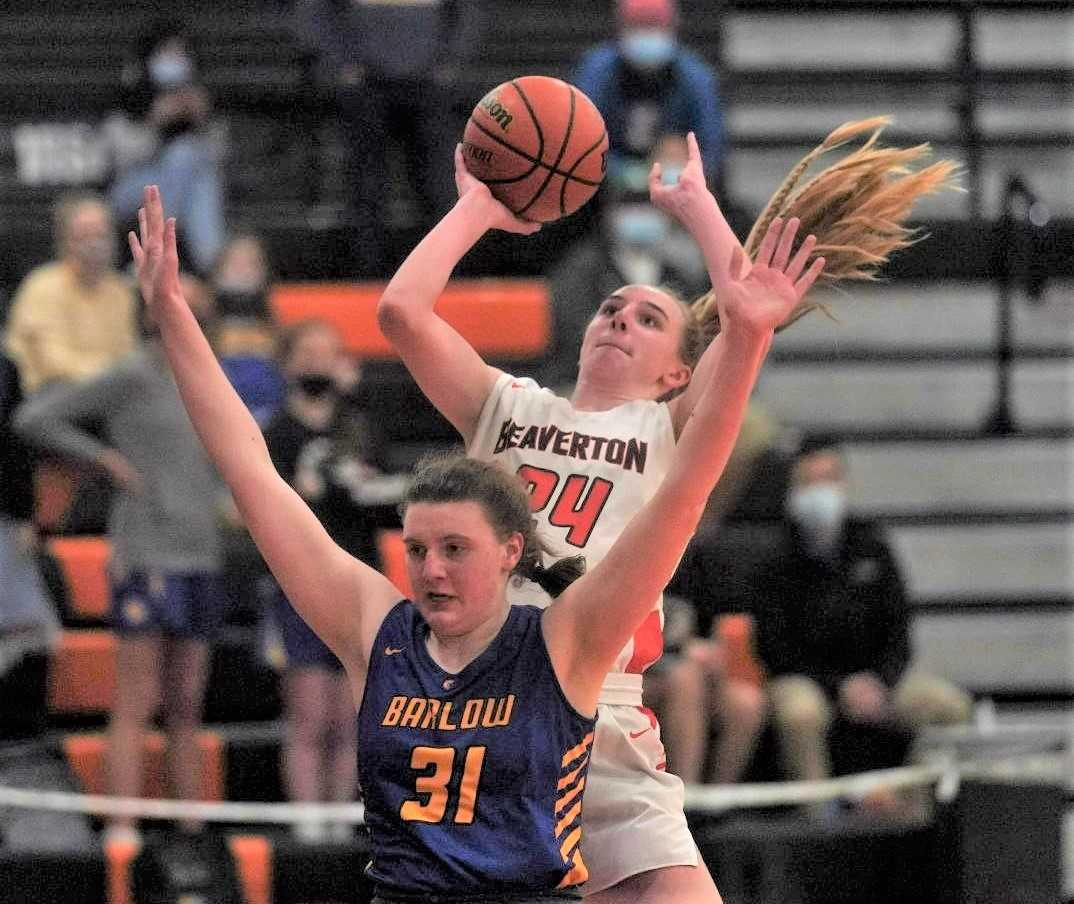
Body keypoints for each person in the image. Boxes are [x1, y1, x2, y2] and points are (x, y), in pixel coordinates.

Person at [128, 181, 817, 902]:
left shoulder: (583, 593)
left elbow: (692, 479)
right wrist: (171, 312)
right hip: (504, 689)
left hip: (587, 694)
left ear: (512, 549)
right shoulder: (504, 416)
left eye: (453, 548)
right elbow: (257, 463)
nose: (431, 569)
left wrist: (739, 310)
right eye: (417, 549)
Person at [376, 117, 955, 900]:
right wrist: (476, 207)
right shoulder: (506, 406)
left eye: (649, 319)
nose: (620, 318)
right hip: (492, 703)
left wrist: (701, 213)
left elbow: (748, 317)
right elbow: (402, 313)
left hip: (607, 713)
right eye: (611, 309)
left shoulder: (668, 430)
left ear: (679, 373)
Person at [14, 273, 227, 845]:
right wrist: (103, 458)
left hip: (201, 552)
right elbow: (35, 417)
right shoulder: (132, 374)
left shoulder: (210, 375)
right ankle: (122, 825)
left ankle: (191, 829)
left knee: (187, 703)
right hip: (146, 550)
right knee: (136, 698)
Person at [751, 436, 973, 789]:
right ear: (792, 490)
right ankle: (818, 811)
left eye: (829, 479)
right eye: (809, 482)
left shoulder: (873, 545)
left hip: (877, 679)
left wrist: (880, 681)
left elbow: (899, 629)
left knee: (948, 706)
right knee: (800, 713)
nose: (820, 492)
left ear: (844, 483)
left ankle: (909, 804)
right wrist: (839, 686)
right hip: (809, 681)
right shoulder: (774, 558)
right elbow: (775, 648)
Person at [260, 318, 405, 843]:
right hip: (300, 584)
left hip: (358, 580)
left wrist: (366, 487)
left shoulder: (359, 425)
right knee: (309, 710)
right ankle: (307, 824)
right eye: (308, 354)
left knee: (351, 713)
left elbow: (389, 501)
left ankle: (342, 823)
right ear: (288, 363)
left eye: (328, 354)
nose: (318, 364)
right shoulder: (277, 431)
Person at [291, 0, 483, 277]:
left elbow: (470, 13)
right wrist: (341, 64)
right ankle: (368, 274)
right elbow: (312, 13)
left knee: (437, 187)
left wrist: (451, 61)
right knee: (366, 191)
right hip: (367, 87)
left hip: (427, 86)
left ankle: (447, 274)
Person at [105, 19, 226, 276]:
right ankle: (205, 264)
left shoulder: (198, 96)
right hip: (131, 187)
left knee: (197, 171)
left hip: (182, 191)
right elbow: (119, 157)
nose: (175, 59)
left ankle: (203, 261)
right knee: (185, 159)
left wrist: (201, 121)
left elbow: (218, 157)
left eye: (180, 52)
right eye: (168, 51)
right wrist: (154, 122)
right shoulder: (131, 97)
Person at [574, 0, 723, 193]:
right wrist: (618, 171)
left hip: (676, 181)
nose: (646, 35)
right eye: (638, 28)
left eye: (653, 27)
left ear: (672, 28)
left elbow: (711, 147)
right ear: (620, 29)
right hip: (604, 188)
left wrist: (683, 170)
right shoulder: (596, 73)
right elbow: (580, 145)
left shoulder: (695, 77)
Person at [4, 193, 138, 395]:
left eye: (101, 235)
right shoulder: (42, 286)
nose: (94, 245)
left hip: (113, 394)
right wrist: (112, 375)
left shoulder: (122, 291)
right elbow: (52, 363)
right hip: (53, 393)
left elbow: (130, 354)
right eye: (85, 236)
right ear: (65, 240)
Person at [0, 352, 59, 743]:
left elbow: (14, 440)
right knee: (27, 628)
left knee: (28, 630)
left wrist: (24, 513)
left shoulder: (6, 366)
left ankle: (18, 742)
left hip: (7, 518)